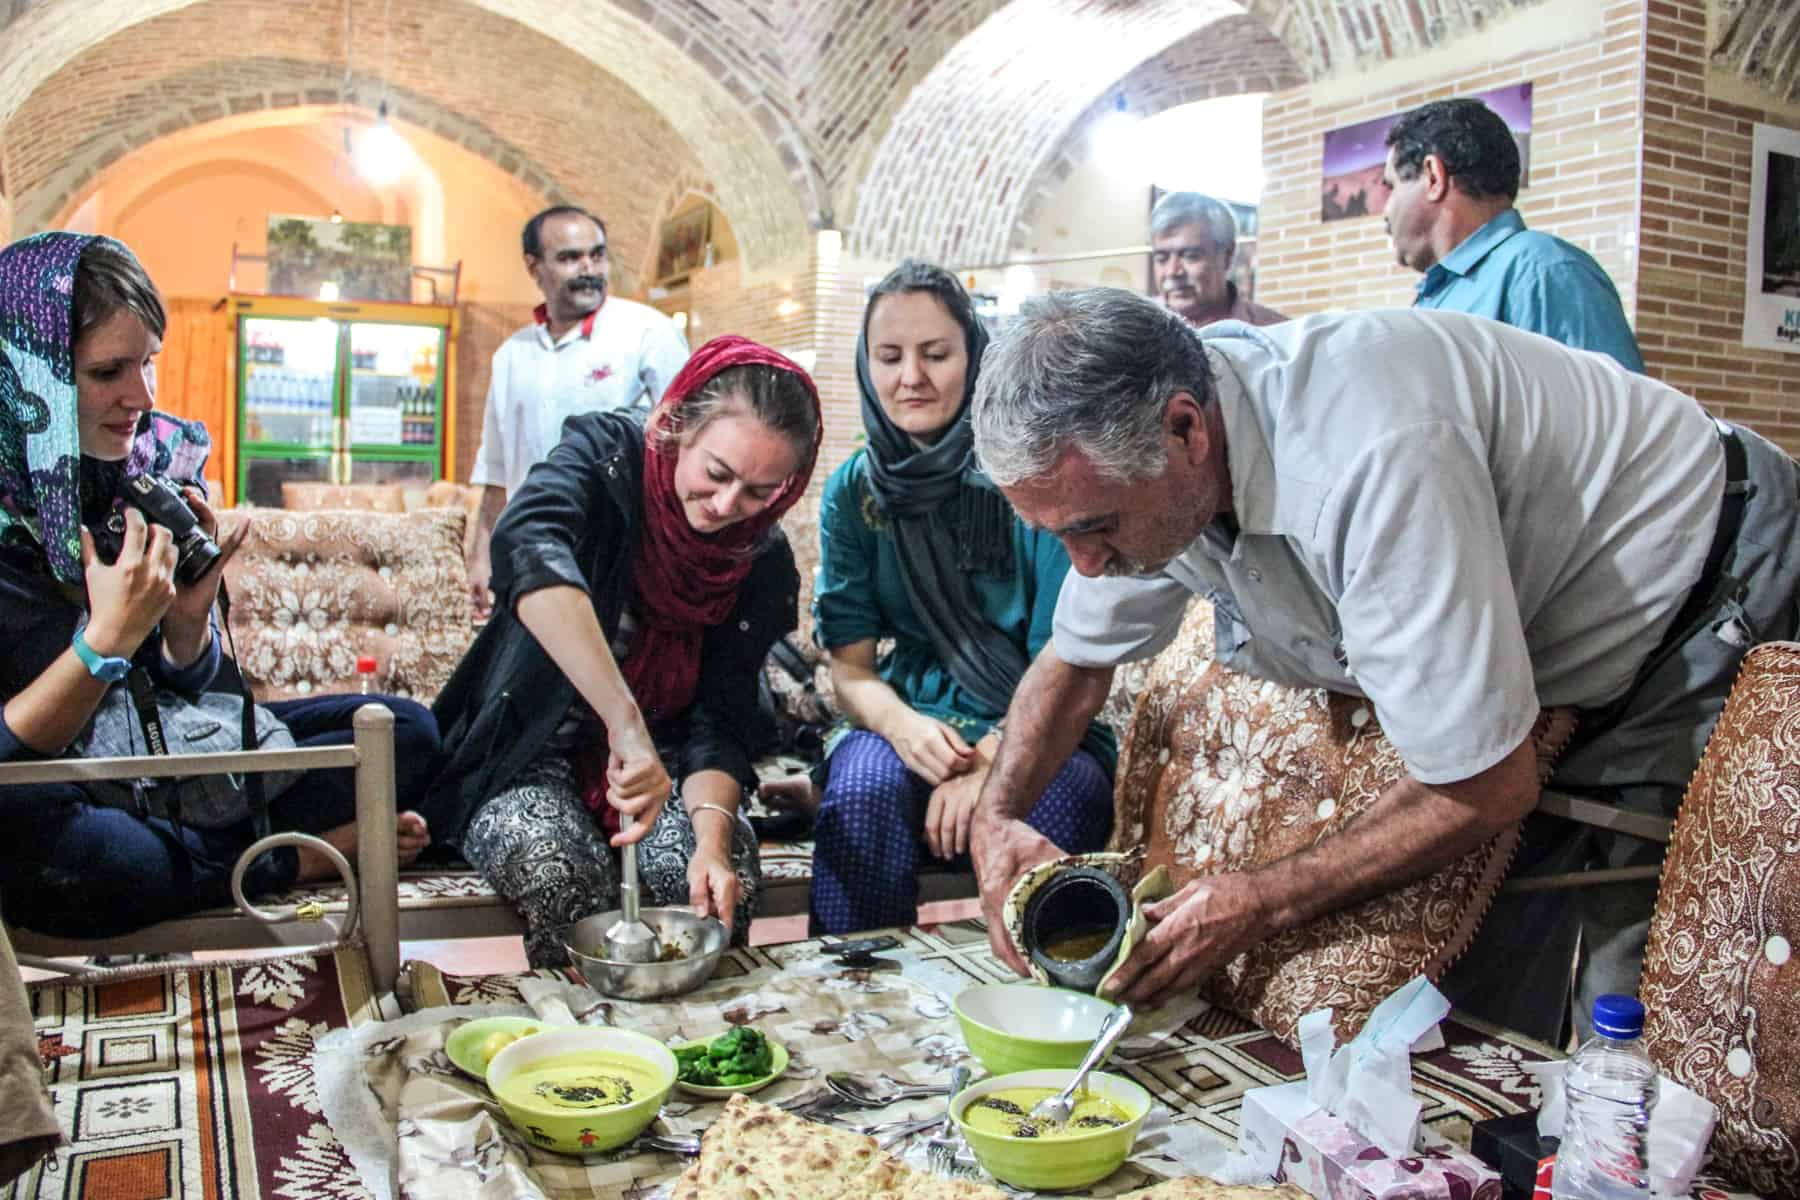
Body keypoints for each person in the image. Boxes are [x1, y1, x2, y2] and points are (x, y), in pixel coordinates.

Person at [965, 287, 1799, 1044]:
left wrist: (1257, 900)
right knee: (1485, 984)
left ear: (1186, 430)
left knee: (1661, 1014)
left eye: (1096, 527)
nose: (1084, 563)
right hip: (1555, 642)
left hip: (1708, 593)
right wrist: (996, 812)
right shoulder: (1150, 464)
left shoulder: (1367, 458)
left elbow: (1485, 785)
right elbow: (1077, 661)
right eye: (1060, 534)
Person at [0, 232, 442, 938]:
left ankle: (215, 854)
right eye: (108, 371)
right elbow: (11, 755)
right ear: (31, 376)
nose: (139, 396)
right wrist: (104, 642)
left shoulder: (136, 476)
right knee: (84, 858)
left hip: (161, 762)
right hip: (61, 788)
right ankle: (287, 861)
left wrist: (184, 625)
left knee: (405, 731)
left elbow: (193, 692)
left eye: (147, 363)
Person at [429, 336, 821, 966]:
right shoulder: (605, 460)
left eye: (759, 491)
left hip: (668, 764)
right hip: (528, 751)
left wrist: (713, 846)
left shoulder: (759, 557)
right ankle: (577, 1057)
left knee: (698, 901)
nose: (727, 508)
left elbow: (721, 720)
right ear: (673, 427)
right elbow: (527, 544)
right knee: (565, 882)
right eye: (716, 474)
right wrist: (623, 719)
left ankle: (694, 1053)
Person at [807, 261, 1115, 936]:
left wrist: (994, 768)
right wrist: (902, 727)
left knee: (1057, 801)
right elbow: (851, 669)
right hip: (915, 720)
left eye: (936, 354)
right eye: (889, 356)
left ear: (974, 357)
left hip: (1042, 717)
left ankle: (1049, 1013)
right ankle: (859, 1011)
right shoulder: (854, 493)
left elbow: (1064, 656)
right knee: (861, 794)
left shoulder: (1029, 474)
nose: (910, 377)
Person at [465, 205, 691, 619]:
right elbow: (496, 470)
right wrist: (481, 555)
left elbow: (685, 446)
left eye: (597, 254)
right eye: (570, 258)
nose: (589, 268)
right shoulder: (511, 355)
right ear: (534, 267)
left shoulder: (648, 335)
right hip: (528, 550)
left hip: (620, 553)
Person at [1383, 97, 1645, 372]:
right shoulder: (1439, 292)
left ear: (1434, 177)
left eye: (1392, 186)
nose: (1386, 211)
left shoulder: (1542, 272)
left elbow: (1612, 410)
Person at [1149, 191, 1285, 329]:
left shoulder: (1275, 335)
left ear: (1227, 255)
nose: (1172, 271)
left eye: (1191, 256)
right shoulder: (1134, 329)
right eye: (1162, 258)